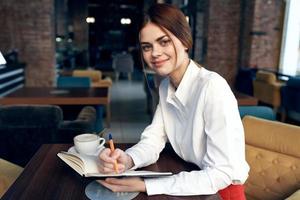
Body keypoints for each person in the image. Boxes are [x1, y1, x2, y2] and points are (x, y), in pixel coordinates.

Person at [98, 3, 249, 199]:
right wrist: (127, 159)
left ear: (185, 41)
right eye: (147, 47)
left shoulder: (212, 87)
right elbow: (154, 140)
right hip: (192, 180)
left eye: (164, 42)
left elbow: (221, 174)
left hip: (221, 192)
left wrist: (146, 184)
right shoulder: (165, 86)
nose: (155, 53)